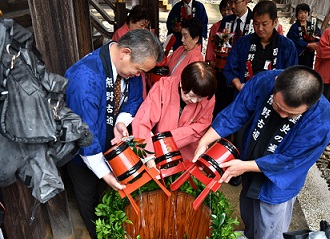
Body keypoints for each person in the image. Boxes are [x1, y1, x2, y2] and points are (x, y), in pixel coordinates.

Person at [193, 65, 330, 239]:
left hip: (276, 180)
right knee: (248, 211)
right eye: (278, 106)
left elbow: (291, 160)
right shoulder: (265, 80)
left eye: (290, 114)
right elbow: (236, 112)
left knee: (270, 226)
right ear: (276, 83)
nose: (282, 115)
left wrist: (246, 166)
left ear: (311, 104)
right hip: (249, 160)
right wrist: (204, 141)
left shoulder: (320, 119)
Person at [64, 30, 164, 239]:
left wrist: (121, 122)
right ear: (125, 53)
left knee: (110, 195)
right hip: (83, 153)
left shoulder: (131, 68)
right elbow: (83, 132)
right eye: (138, 70)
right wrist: (103, 172)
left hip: (112, 145)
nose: (139, 76)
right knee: (89, 199)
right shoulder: (85, 77)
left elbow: (135, 98)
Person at [132, 62, 216, 165]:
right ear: (181, 83)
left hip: (187, 154)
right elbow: (142, 122)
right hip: (154, 151)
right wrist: (148, 156)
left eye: (200, 98)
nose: (194, 101)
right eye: (191, 95)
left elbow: (201, 126)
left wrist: (165, 140)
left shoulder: (208, 98)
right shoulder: (163, 87)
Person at [224, 0, 298, 95]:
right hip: (245, 95)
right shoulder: (243, 43)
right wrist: (238, 85)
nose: (260, 28)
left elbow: (292, 75)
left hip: (274, 100)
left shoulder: (287, 46)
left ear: (275, 22)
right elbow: (230, 68)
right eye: (256, 24)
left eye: (264, 24)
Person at [112, 5, 151, 98]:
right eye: (141, 25)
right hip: (128, 72)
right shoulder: (121, 34)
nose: (143, 29)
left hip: (137, 70)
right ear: (132, 20)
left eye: (145, 26)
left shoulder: (136, 33)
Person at [287, 3, 321, 68]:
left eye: (305, 12)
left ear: (308, 13)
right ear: (297, 14)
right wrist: (307, 45)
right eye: (300, 13)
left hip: (309, 55)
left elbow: (319, 36)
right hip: (298, 55)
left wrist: (315, 45)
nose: (303, 15)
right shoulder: (294, 27)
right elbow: (294, 40)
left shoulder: (312, 25)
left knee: (308, 70)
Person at [205, 0, 233, 66]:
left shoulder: (236, 25)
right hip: (217, 59)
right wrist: (210, 59)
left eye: (229, 9)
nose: (226, 12)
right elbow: (211, 45)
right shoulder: (215, 26)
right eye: (223, 10)